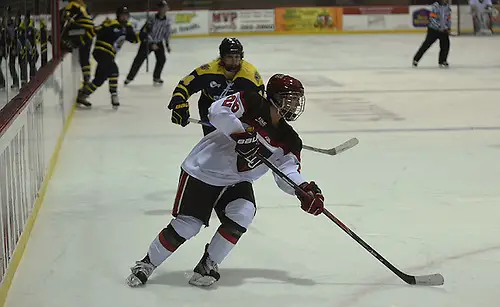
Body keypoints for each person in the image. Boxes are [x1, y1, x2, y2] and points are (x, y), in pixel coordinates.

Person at [126, 73, 325, 288]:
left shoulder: (290, 139)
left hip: (237, 180)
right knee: (188, 226)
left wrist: (302, 189)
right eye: (289, 98)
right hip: (204, 170)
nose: (294, 104)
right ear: (274, 97)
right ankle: (146, 264)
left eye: (297, 99)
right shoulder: (251, 101)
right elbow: (217, 111)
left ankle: (208, 264)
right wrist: (240, 133)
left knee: (243, 212)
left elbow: (286, 171)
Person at [168, 37, 264, 136]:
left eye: (237, 57)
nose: (234, 61)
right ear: (222, 57)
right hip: (209, 107)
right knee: (212, 141)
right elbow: (185, 85)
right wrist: (179, 104)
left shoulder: (250, 75)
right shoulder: (208, 71)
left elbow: (261, 101)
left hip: (237, 110)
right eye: (230, 57)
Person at [76, 6, 139, 108]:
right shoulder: (110, 24)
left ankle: (83, 94)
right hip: (101, 52)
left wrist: (146, 31)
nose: (124, 17)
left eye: (126, 15)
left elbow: (135, 40)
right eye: (122, 15)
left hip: (110, 55)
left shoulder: (128, 28)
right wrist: (81, 41)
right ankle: (114, 95)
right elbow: (95, 30)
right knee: (114, 70)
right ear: (118, 15)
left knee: (100, 79)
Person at [125, 0, 171, 86]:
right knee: (139, 60)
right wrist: (151, 43)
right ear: (159, 9)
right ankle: (129, 78)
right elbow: (145, 32)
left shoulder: (167, 20)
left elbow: (166, 33)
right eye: (163, 8)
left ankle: (156, 77)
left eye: (166, 7)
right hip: (147, 42)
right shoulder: (152, 18)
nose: (165, 9)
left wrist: (167, 45)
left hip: (159, 42)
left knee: (162, 59)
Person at [61, 0, 95, 86]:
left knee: (64, 36)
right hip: (89, 32)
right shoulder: (83, 5)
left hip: (81, 29)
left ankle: (70, 44)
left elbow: (67, 16)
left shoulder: (72, 4)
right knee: (84, 58)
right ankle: (86, 78)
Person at [413, 0, 451, 68]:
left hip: (443, 30)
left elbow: (448, 18)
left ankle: (442, 61)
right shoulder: (435, 6)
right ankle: (416, 59)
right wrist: (439, 27)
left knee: (445, 45)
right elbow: (432, 18)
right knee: (426, 45)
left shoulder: (447, 7)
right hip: (433, 30)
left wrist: (448, 27)